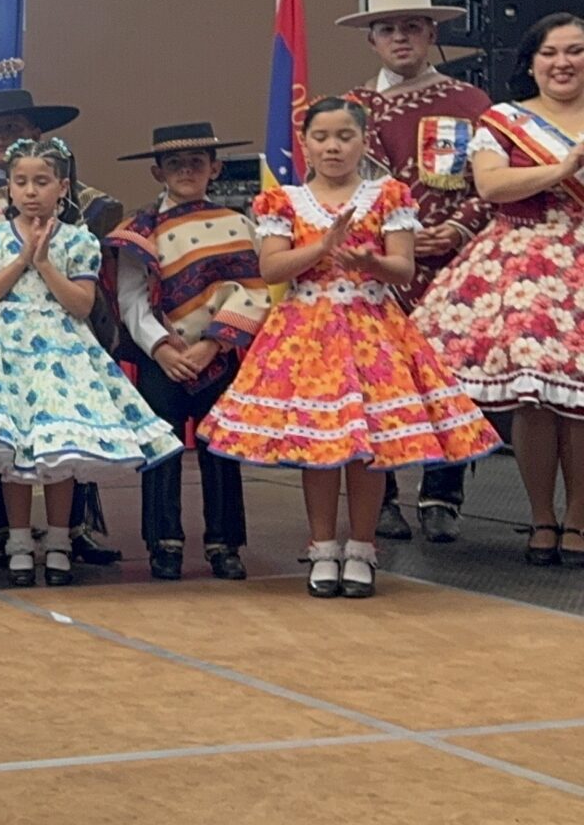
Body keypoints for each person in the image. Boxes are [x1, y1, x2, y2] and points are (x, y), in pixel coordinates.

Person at [199, 98, 498, 599]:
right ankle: (322, 547)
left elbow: (402, 268)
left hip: (371, 328)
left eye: (344, 136)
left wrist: (370, 263)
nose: (333, 147)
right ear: (306, 144)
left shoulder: (388, 195)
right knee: (319, 448)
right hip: (305, 332)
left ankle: (361, 547)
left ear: (362, 141)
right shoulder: (284, 202)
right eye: (322, 137)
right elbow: (272, 269)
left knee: (368, 449)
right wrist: (320, 248)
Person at [0, 138, 181, 585]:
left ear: (63, 187)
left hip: (62, 350)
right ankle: (19, 542)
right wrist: (21, 260)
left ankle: (58, 540)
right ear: (10, 190)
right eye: (21, 182)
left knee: (61, 450)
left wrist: (46, 264)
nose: (31, 191)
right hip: (6, 350)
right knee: (13, 451)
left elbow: (81, 304)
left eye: (42, 182)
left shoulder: (77, 240)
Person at [417, 13, 584, 564]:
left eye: (576, 51)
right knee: (536, 400)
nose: (563, 62)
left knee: (580, 404)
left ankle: (579, 519)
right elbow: (491, 184)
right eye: (550, 52)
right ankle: (541, 519)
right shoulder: (504, 121)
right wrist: (564, 167)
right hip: (524, 265)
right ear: (531, 63)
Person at [339, 0, 496, 544]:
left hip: (452, 263)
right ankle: (380, 495)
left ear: (431, 34)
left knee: (449, 376)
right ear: (372, 40)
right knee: (379, 379)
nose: (400, 38)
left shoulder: (470, 102)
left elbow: (492, 182)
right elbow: (336, 188)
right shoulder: (350, 110)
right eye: (387, 29)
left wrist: (457, 227)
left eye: (412, 27)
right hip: (378, 264)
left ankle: (442, 494)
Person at [107, 124, 271, 581]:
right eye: (175, 164)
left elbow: (254, 291)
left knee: (221, 449)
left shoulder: (239, 226)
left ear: (214, 169)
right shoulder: (139, 230)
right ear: (158, 171)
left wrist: (214, 343)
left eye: (196, 162)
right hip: (164, 358)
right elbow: (132, 297)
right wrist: (160, 347)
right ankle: (163, 542)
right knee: (161, 448)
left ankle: (225, 543)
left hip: (216, 355)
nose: (186, 171)